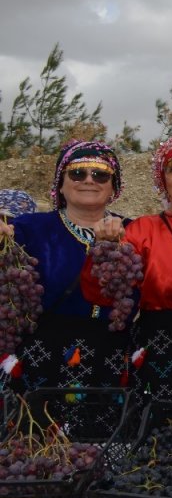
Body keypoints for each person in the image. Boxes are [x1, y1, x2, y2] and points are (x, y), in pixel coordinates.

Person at [84, 136, 172, 401]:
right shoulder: (142, 229)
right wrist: (104, 251)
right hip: (161, 349)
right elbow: (103, 295)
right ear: (163, 178)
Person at [0, 141, 131, 394]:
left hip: (110, 359)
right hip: (41, 360)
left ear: (113, 186)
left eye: (101, 174)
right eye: (77, 173)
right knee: (41, 431)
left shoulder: (135, 231)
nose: (89, 180)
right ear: (61, 183)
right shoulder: (31, 228)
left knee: (107, 432)